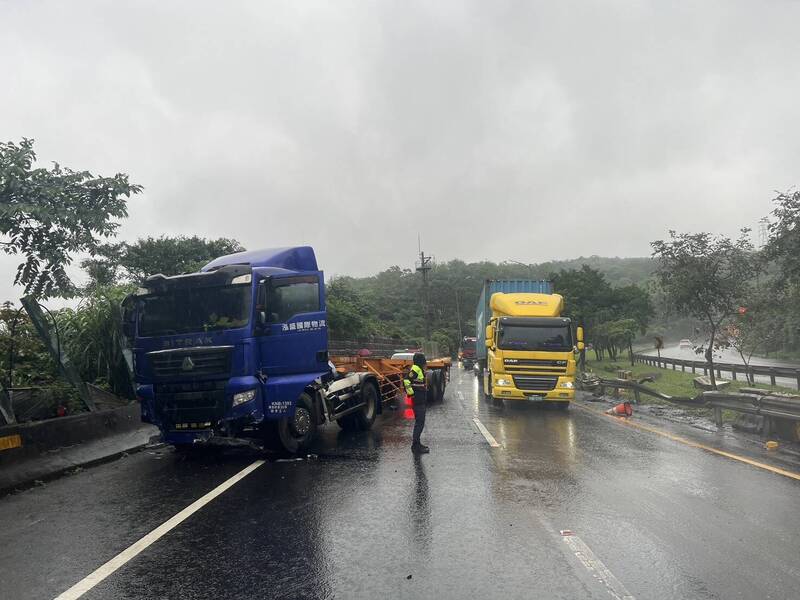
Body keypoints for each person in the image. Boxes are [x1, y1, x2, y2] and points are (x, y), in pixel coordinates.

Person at [403, 352, 429, 454]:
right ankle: (416, 446)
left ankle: (417, 444)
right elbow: (406, 381)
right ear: (421, 361)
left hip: (420, 399)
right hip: (418, 400)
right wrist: (411, 393)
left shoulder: (418, 369)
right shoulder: (415, 369)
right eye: (423, 361)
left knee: (420, 423)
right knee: (419, 423)